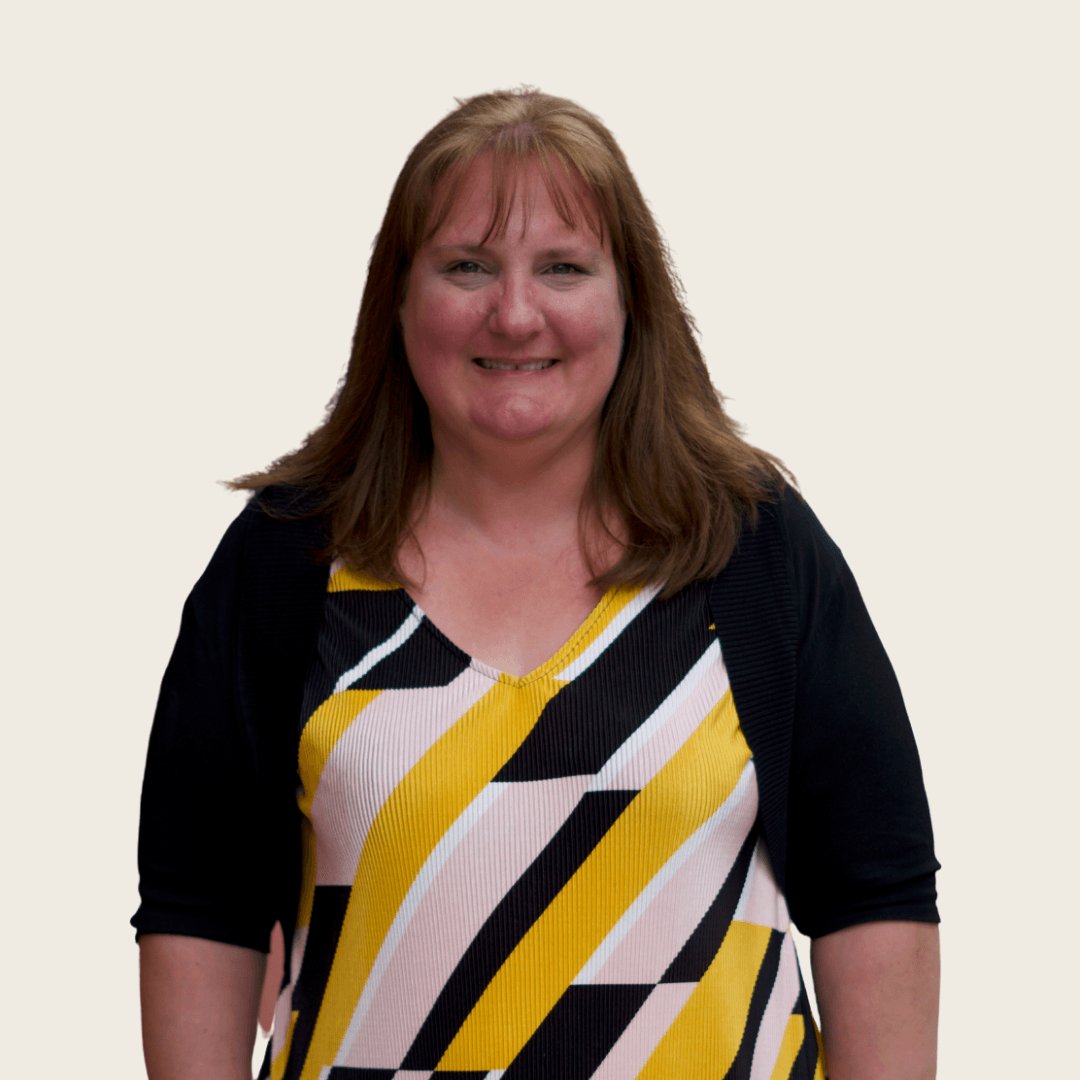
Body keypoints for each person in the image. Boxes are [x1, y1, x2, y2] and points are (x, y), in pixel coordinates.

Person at [134, 88, 940, 1080]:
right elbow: (199, 911)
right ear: (398, 299)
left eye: (562, 267)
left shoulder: (755, 551)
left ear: (629, 300)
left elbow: (876, 899)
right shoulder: (284, 563)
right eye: (466, 266)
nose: (515, 313)